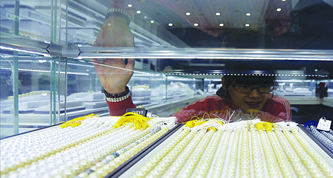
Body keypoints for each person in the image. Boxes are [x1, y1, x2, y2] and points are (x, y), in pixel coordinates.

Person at [92, 58, 292, 123]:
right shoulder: (207, 108)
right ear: (225, 83)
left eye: (264, 87)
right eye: (245, 87)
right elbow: (159, 130)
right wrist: (117, 92)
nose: (256, 95)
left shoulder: (278, 107)